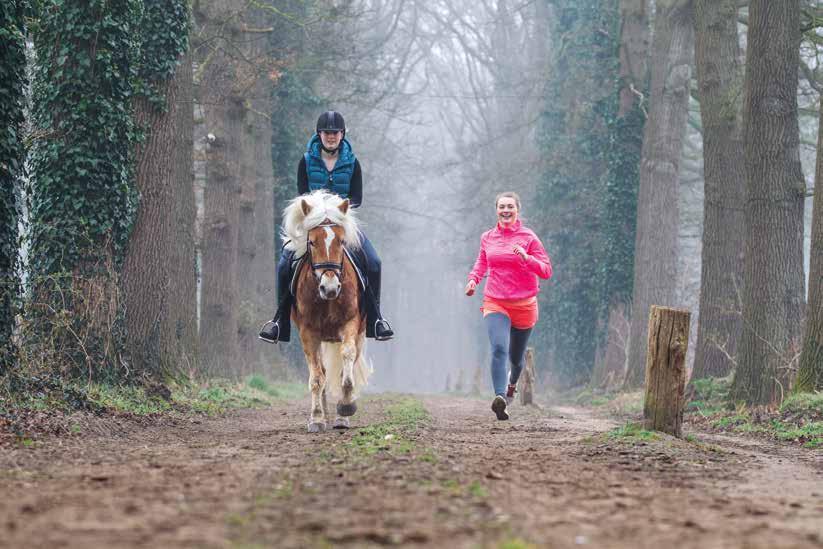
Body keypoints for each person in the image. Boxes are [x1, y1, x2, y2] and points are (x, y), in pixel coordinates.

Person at [259, 111, 394, 343]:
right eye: (327, 133)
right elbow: (302, 195)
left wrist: (335, 210)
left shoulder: (353, 163)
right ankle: (279, 322)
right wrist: (319, 212)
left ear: (342, 135)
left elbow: (356, 198)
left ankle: (375, 320)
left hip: (342, 223)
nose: (331, 137)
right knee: (284, 265)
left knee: (374, 262)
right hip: (313, 225)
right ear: (319, 134)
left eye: (335, 133)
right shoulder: (306, 161)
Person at [465, 192, 552, 420]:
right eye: (502, 206)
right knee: (499, 349)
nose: (506, 210)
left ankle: (512, 383)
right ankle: (500, 398)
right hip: (495, 301)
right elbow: (482, 262)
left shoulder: (529, 237)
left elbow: (546, 270)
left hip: (524, 304)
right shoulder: (487, 237)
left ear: (517, 210)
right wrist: (474, 279)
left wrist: (527, 258)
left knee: (515, 358)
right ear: (496, 210)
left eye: (510, 206)